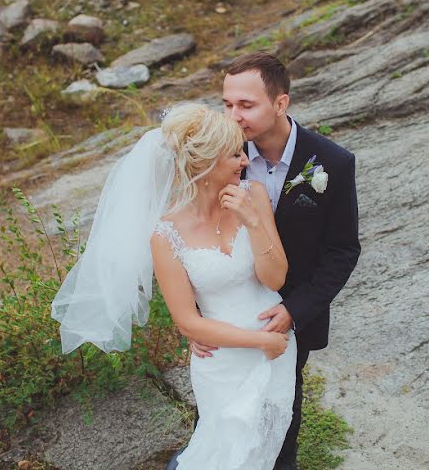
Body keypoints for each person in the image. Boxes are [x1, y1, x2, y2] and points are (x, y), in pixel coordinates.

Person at [51, 103, 298, 470]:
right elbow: (188, 323)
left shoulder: (254, 196)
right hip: (225, 357)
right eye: (233, 154)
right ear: (204, 163)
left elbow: (276, 279)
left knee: (263, 452)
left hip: (278, 351)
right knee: (223, 454)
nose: (244, 161)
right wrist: (261, 341)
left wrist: (252, 222)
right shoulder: (165, 234)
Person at [189, 51, 362, 470]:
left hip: (286, 317)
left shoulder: (332, 164)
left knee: (279, 421)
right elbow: (194, 236)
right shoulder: (219, 156)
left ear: (280, 104)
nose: (233, 116)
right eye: (227, 104)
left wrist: (295, 310)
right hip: (225, 318)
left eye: (246, 105)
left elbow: (343, 250)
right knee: (219, 423)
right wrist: (195, 318)